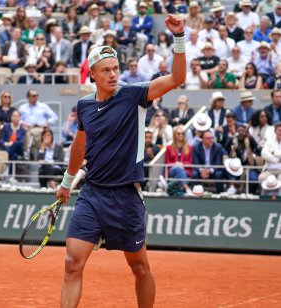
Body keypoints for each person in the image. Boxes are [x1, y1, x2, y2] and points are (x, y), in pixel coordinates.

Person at [56, 15, 186, 307]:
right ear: (93, 74)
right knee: (71, 264)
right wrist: (66, 182)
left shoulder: (134, 95)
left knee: (139, 268)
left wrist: (179, 38)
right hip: (92, 195)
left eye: (116, 68)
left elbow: (178, 79)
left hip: (126, 196)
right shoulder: (85, 106)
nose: (113, 74)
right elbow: (80, 145)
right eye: (106, 70)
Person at [224, 125, 260, 194]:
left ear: (246, 133)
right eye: (238, 131)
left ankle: (250, 194)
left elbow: (258, 150)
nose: (240, 133)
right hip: (234, 168)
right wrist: (232, 137)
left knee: (254, 179)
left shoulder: (249, 141)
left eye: (242, 131)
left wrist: (251, 138)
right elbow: (225, 148)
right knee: (229, 173)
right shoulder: (233, 141)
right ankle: (232, 190)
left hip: (248, 168)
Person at [165, 125, 193, 194]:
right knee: (177, 168)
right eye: (179, 133)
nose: (181, 135)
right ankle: (187, 188)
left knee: (178, 174)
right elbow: (167, 162)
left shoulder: (189, 148)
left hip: (185, 170)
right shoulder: (169, 147)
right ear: (175, 135)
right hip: (172, 169)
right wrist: (175, 164)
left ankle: (170, 186)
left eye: (183, 133)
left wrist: (182, 164)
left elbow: (191, 162)